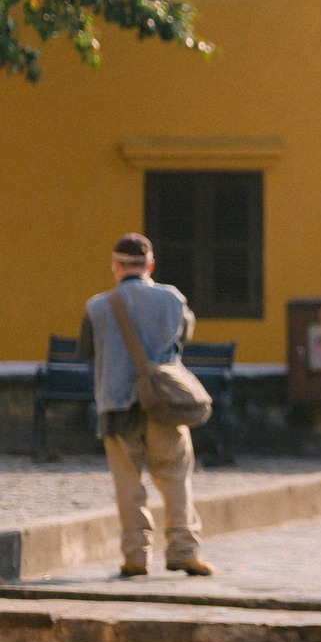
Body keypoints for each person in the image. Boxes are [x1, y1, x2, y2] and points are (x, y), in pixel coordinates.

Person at [78, 233, 212, 578]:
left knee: (128, 484)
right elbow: (182, 340)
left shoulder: (97, 306)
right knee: (175, 477)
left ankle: (135, 557)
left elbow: (87, 352)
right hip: (164, 405)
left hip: (117, 407)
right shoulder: (173, 300)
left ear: (115, 267)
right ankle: (184, 550)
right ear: (149, 265)